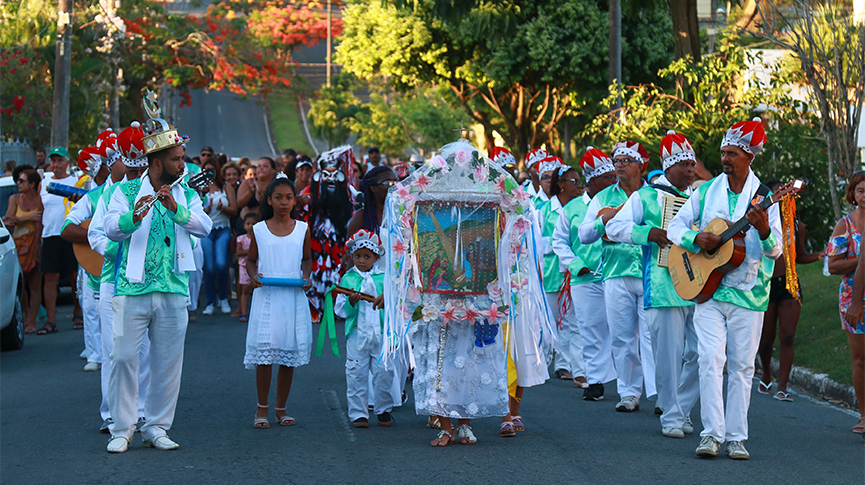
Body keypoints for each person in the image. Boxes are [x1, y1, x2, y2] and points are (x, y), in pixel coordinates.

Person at [668, 118, 782, 460]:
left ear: (750, 156)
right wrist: (694, 237)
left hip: (750, 293)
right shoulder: (704, 190)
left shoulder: (767, 198)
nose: (725, 159)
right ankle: (710, 434)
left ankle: (736, 437)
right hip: (708, 289)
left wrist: (763, 231)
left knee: (742, 366)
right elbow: (674, 226)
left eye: (732, 153)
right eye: (723, 152)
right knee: (709, 358)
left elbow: (776, 250)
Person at [103, 107, 212, 453]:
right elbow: (109, 229)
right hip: (131, 288)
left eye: (182, 158)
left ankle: (158, 427)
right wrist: (132, 216)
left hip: (173, 288)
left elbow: (204, 227)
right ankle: (122, 428)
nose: (183, 165)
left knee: (168, 362)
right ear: (156, 161)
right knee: (122, 357)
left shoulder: (185, 194)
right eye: (177, 159)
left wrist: (175, 209)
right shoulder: (126, 190)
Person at [606, 130, 700, 439]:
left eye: (693, 164)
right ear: (668, 166)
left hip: (699, 285)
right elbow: (615, 227)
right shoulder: (645, 196)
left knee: (703, 353)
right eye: (684, 165)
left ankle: (681, 407)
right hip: (661, 287)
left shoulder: (699, 197)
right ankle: (671, 415)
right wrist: (649, 233)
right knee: (667, 356)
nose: (691, 170)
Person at [579, 141, 657, 413]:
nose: (620, 164)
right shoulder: (602, 197)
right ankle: (629, 392)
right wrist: (604, 220)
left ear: (641, 165)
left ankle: (661, 395)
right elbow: (584, 234)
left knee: (652, 336)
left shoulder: (656, 194)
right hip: (615, 273)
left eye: (627, 159)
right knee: (622, 337)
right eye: (617, 160)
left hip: (651, 273)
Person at [88, 121, 151, 434]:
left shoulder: (161, 192)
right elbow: (95, 234)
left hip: (149, 281)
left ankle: (142, 412)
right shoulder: (110, 193)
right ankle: (112, 413)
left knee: (145, 350)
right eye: (134, 170)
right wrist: (118, 250)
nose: (138, 177)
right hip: (114, 279)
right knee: (114, 349)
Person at [244, 176, 312, 428]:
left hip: (291, 295)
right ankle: (262, 407)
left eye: (289, 197)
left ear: (295, 201)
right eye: (279, 198)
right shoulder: (259, 229)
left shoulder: (303, 228)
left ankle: (281, 408)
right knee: (265, 352)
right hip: (268, 296)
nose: (284, 202)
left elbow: (306, 259)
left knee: (287, 352)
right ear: (269, 200)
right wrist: (253, 277)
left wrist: (306, 276)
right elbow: (251, 260)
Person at [552, 148, 618, 401]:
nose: (614, 181)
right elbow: (559, 241)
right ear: (593, 180)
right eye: (608, 177)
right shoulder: (572, 208)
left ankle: (627, 385)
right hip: (585, 277)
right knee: (590, 328)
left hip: (616, 275)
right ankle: (596, 380)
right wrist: (575, 263)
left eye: (614, 177)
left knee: (622, 330)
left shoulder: (619, 202)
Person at [757, 180, 823, 402]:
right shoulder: (761, 221)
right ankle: (766, 372)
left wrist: (818, 256)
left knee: (787, 336)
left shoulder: (797, 226)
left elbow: (799, 256)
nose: (782, 198)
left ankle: (782, 386)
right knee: (765, 340)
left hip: (789, 285)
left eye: (786, 195)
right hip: (766, 284)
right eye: (777, 194)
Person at [62, 136, 124, 372]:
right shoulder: (94, 197)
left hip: (134, 272)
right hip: (99, 268)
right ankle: (95, 354)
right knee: (91, 309)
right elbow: (66, 228)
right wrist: (96, 238)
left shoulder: (141, 191)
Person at [332, 229, 394, 428]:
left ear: (376, 257)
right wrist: (351, 302)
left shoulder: (385, 279)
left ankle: (383, 410)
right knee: (356, 372)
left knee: (384, 372)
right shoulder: (348, 279)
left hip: (381, 333)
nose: (361, 260)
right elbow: (340, 311)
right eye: (357, 256)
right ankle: (358, 413)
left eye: (367, 256)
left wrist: (388, 301)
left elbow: (395, 306)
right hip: (357, 334)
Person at [536, 157, 583, 382]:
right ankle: (541, 362)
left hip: (574, 273)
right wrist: (559, 244)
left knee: (572, 322)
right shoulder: (544, 211)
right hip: (551, 274)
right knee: (549, 321)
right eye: (574, 181)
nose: (579, 186)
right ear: (562, 184)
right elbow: (536, 243)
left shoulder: (581, 209)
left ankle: (569, 366)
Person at [826, 171, 865, 434]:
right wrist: (862, 260)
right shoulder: (845, 226)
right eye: (861, 190)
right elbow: (833, 264)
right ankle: (864, 414)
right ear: (852, 194)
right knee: (861, 358)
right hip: (853, 296)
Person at [38, 146, 83, 335]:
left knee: (74, 276)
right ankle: (51, 320)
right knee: (50, 277)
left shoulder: (75, 181)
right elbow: (41, 211)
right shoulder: (44, 182)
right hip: (50, 236)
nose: (56, 164)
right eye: (53, 161)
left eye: (60, 160)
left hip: (70, 233)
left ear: (67, 162)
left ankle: (78, 312)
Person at [3, 168, 43, 334]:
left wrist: (17, 220)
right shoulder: (14, 199)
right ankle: (25, 313)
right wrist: (28, 218)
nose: (18, 183)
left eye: (22, 181)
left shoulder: (41, 200)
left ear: (32, 184)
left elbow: (39, 221)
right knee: (21, 284)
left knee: (35, 284)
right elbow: (7, 221)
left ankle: (32, 321)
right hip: (18, 245)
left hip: (36, 243)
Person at [201, 159, 238, 315]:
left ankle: (223, 298)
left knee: (221, 264)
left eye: (211, 170)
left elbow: (234, 209)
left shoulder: (225, 187)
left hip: (223, 229)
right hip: (206, 231)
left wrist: (223, 208)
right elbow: (194, 214)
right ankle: (210, 302)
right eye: (206, 170)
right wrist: (207, 210)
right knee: (208, 267)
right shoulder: (200, 189)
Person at [347, 166, 396, 237]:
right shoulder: (361, 216)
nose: (393, 187)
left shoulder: (400, 213)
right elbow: (351, 246)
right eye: (387, 183)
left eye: (395, 182)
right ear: (373, 188)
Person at [235, 213, 257, 322]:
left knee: (256, 290)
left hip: (257, 267)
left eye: (253, 224)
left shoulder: (259, 238)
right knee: (245, 290)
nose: (251, 226)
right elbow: (238, 252)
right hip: (244, 267)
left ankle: (255, 313)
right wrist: (251, 251)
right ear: (244, 225)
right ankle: (243, 313)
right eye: (248, 224)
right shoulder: (241, 238)